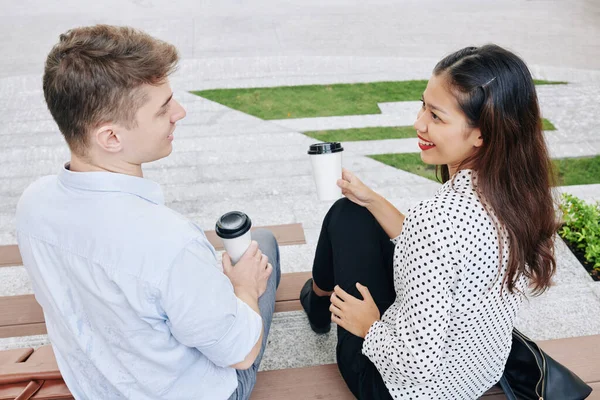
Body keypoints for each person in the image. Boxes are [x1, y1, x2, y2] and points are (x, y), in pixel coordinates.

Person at [16, 25, 280, 400]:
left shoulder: (32, 204)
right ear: (110, 137)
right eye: (163, 109)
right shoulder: (169, 243)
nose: (180, 112)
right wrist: (245, 289)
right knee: (264, 246)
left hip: (94, 385)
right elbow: (241, 354)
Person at [300, 44, 559, 399]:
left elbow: (415, 363)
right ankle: (316, 297)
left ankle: (317, 300)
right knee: (357, 209)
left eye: (436, 116)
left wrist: (369, 326)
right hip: (477, 371)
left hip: (402, 388)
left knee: (344, 216)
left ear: (482, 133)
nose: (418, 122)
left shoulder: (436, 219)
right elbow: (444, 254)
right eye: (424, 105)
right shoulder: (522, 193)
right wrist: (373, 199)